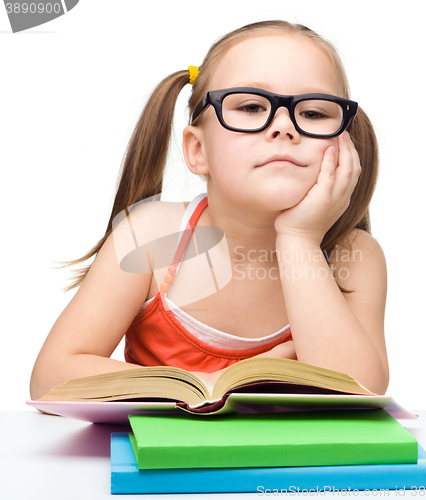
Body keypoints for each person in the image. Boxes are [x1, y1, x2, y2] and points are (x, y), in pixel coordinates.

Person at [30, 20, 389, 401]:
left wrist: (299, 239)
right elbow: (52, 377)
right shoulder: (151, 240)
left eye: (314, 113)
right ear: (198, 151)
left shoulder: (354, 256)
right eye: (251, 106)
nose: (284, 127)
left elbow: (359, 393)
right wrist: (212, 385)